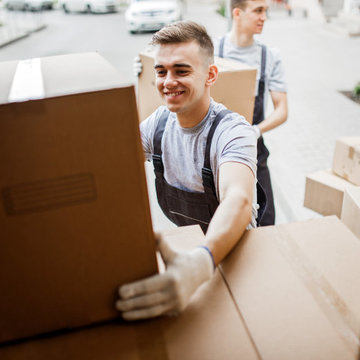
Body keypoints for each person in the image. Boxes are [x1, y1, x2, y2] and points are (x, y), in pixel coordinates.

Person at [116, 20, 258, 321]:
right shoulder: (158, 124)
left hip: (234, 256)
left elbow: (239, 199)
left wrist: (200, 264)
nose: (168, 81)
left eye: (181, 71)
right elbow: (113, 163)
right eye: (160, 71)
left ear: (210, 75)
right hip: (189, 251)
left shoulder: (232, 131)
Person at [214, 0, 288, 226]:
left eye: (265, 11)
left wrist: (255, 131)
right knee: (220, 224)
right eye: (258, 11)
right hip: (215, 154)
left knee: (266, 223)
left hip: (255, 153)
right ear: (237, 13)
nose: (264, 17)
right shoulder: (212, 51)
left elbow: (282, 110)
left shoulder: (269, 56)